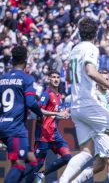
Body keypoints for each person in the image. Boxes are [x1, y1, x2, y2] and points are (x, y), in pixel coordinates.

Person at [59, 17, 109, 183]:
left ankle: (63, 181)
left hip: (76, 106)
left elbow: (68, 76)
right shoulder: (91, 48)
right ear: (96, 33)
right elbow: (90, 71)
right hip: (88, 102)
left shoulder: (74, 49)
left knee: (86, 152)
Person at [72, 70, 109, 183]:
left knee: (99, 165)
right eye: (103, 79)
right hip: (100, 131)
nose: (106, 81)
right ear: (97, 81)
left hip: (107, 129)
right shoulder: (93, 95)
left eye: (108, 80)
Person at [0, 46, 44, 183]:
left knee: (31, 161)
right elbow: (31, 102)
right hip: (16, 128)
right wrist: (40, 114)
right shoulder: (26, 78)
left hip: (4, 125)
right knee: (20, 165)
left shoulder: (2, 78)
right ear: (25, 61)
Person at [27, 71, 71, 183]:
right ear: (49, 79)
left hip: (54, 133)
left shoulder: (59, 96)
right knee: (38, 164)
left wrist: (65, 112)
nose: (56, 79)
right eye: (53, 77)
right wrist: (57, 114)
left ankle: (42, 174)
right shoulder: (47, 94)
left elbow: (58, 111)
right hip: (43, 134)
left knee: (67, 157)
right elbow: (39, 110)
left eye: (57, 77)